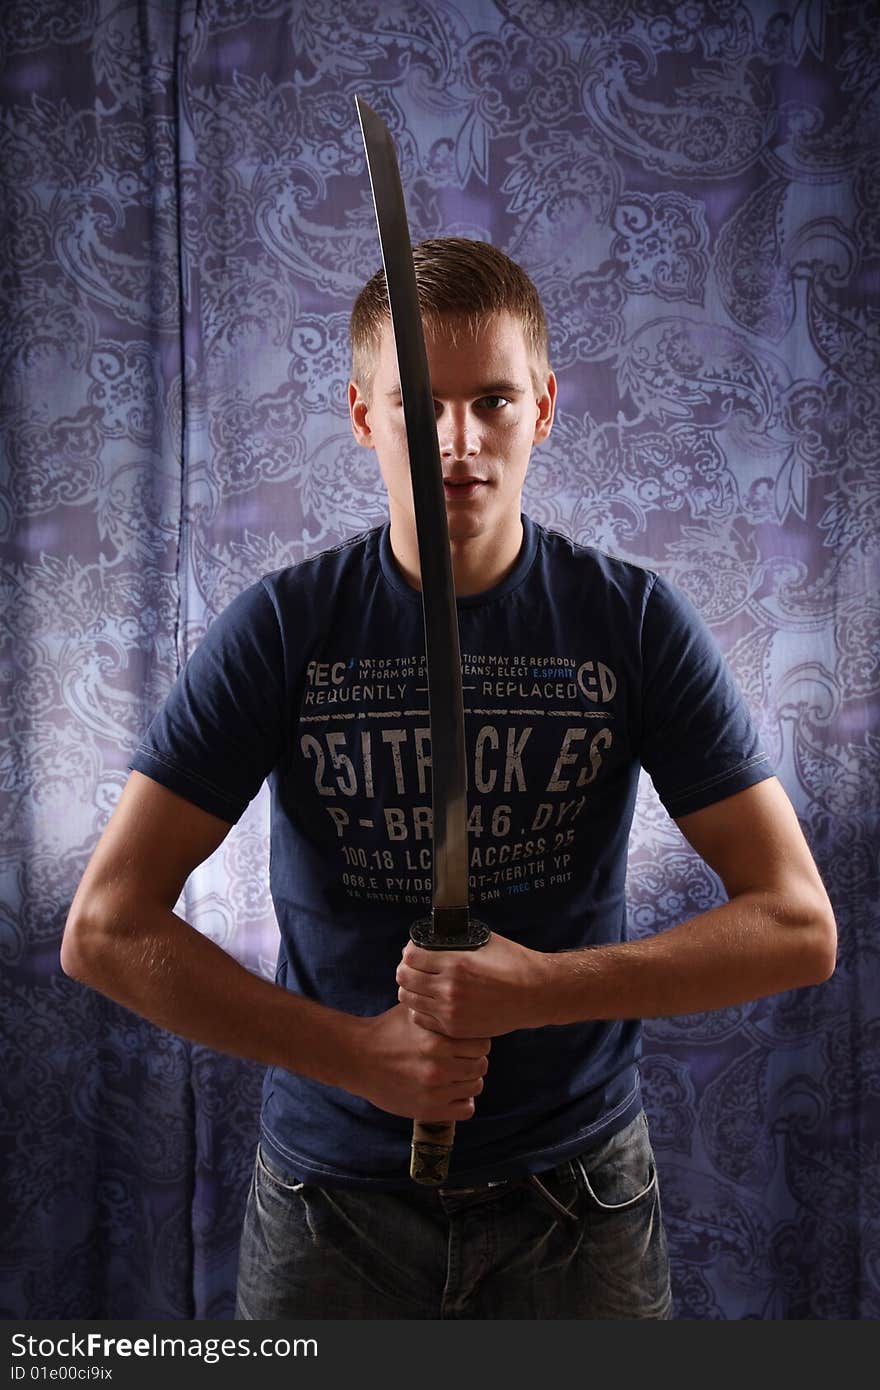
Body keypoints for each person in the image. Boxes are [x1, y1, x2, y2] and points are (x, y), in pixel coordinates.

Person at [61, 238, 837, 1321]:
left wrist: (542, 988)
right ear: (362, 414)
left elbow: (798, 924)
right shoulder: (285, 629)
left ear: (547, 407)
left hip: (579, 1204)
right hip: (330, 1206)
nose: (456, 442)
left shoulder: (631, 622)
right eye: (418, 403)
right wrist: (359, 1055)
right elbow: (103, 927)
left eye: (494, 401)